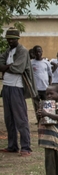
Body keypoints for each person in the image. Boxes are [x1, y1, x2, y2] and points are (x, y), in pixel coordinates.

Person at [0, 28, 33, 156]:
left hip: (16, 87)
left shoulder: (23, 51)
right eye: (8, 38)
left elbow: (18, 68)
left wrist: (5, 67)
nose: (10, 41)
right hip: (6, 87)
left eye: (12, 39)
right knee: (9, 119)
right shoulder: (8, 51)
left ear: (17, 39)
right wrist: (8, 67)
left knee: (20, 118)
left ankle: (26, 147)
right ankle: (12, 145)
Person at [36, 85, 58, 175]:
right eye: (47, 94)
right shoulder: (46, 105)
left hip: (52, 136)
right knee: (57, 158)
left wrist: (47, 114)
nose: (49, 96)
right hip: (49, 136)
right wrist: (40, 113)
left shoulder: (57, 105)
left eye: (51, 94)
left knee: (49, 158)